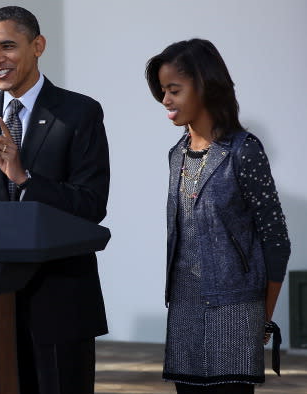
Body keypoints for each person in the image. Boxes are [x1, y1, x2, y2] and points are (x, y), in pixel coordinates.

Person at [0, 6, 110, 394]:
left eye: (7, 46)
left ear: (38, 46)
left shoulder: (79, 113)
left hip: (60, 300)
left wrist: (25, 179)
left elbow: (91, 204)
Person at [145, 39, 291, 394]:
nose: (165, 100)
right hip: (184, 309)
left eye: (174, 90)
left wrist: (263, 317)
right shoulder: (176, 155)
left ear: (205, 86)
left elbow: (276, 240)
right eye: (163, 91)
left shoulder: (244, 150)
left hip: (236, 312)